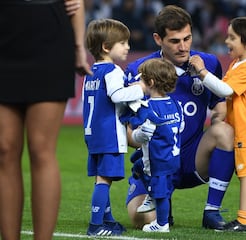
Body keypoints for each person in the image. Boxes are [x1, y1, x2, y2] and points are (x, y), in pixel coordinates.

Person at [124, 5, 235, 230]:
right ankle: (163, 203)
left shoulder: (209, 64)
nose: (183, 47)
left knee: (225, 132)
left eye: (187, 38)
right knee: (141, 218)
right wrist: (146, 139)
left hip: (191, 157)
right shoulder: (138, 70)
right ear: (158, 39)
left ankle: (212, 211)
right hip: (155, 161)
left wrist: (215, 123)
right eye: (175, 41)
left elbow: (219, 107)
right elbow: (128, 131)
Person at [0, 0, 91, 239]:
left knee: (41, 149)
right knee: (4, 149)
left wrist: (79, 46)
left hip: (49, 36)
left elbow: (76, 1)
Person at [189, 16, 246, 232]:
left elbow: (225, 91)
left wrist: (201, 71)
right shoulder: (238, 63)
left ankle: (244, 220)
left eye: (232, 37)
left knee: (245, 175)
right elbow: (221, 87)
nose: (226, 41)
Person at [83, 18, 146, 236]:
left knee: (100, 176)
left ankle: (107, 219)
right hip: (109, 134)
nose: (128, 47)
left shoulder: (91, 72)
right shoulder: (113, 71)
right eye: (123, 43)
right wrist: (141, 89)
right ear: (106, 47)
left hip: (93, 134)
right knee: (104, 179)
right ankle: (95, 225)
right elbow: (117, 95)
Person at [122, 58, 184, 232]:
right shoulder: (176, 105)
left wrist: (134, 133)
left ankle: (162, 224)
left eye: (142, 79)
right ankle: (151, 193)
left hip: (158, 161)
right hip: (173, 157)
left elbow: (143, 135)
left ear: (150, 82)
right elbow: (181, 127)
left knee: (161, 194)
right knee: (137, 165)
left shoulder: (148, 107)